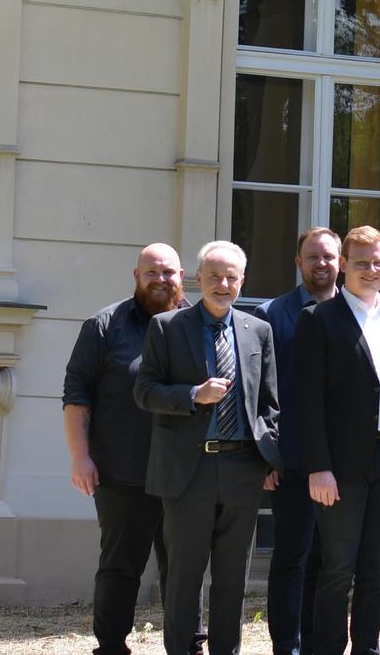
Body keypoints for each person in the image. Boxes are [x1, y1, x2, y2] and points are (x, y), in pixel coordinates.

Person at [134, 240, 283, 655]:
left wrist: (267, 456)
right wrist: (193, 394)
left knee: (233, 574)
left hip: (242, 469)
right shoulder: (166, 327)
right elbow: (144, 392)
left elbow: (270, 404)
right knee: (183, 573)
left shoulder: (259, 331)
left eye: (231, 277)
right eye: (214, 276)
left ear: (242, 282)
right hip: (188, 469)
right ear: (198, 279)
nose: (222, 284)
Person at [63, 243, 205, 655]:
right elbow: (76, 393)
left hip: (186, 473)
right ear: (136, 275)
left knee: (185, 568)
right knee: (120, 566)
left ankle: (188, 646)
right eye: (152, 273)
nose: (161, 280)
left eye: (169, 273)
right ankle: (111, 646)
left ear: (183, 277)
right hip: (123, 471)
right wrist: (80, 456)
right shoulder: (104, 326)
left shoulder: (201, 325)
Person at [293, 225, 380, 655]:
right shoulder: (318, 319)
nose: (371, 270)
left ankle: (366, 648)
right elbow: (305, 400)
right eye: (362, 262)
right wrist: (318, 466)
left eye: (378, 262)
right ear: (345, 266)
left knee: (377, 569)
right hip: (338, 466)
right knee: (337, 567)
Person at [257, 227, 342, 655]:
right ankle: (286, 645)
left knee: (331, 559)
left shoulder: (356, 312)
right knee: (292, 555)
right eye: (313, 257)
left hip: (343, 461)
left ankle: (318, 644)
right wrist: (268, 457)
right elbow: (261, 391)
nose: (321, 264)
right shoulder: (272, 314)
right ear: (298, 262)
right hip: (290, 460)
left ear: (340, 262)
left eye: (328, 256)